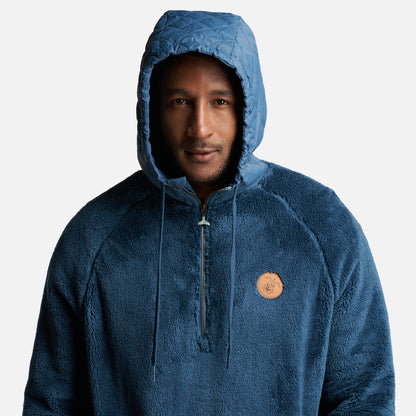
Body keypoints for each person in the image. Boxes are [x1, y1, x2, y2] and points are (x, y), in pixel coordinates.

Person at [23, 10, 395, 415]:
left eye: (220, 101)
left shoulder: (322, 225)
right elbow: (51, 403)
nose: (199, 128)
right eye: (180, 101)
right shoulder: (94, 236)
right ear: (152, 109)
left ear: (247, 106)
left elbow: (364, 397)